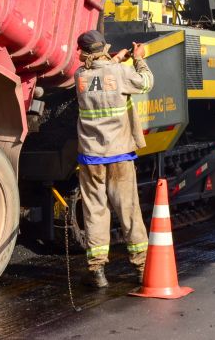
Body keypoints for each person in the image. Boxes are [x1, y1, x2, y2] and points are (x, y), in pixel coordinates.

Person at [74, 29, 153, 288]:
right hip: (119, 154)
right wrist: (138, 58)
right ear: (103, 48)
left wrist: (117, 59)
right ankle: (140, 266)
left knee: (95, 212)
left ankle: (97, 271)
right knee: (128, 210)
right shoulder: (119, 73)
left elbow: (101, 74)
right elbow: (146, 82)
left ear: (84, 53)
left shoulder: (80, 77)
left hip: (90, 157)